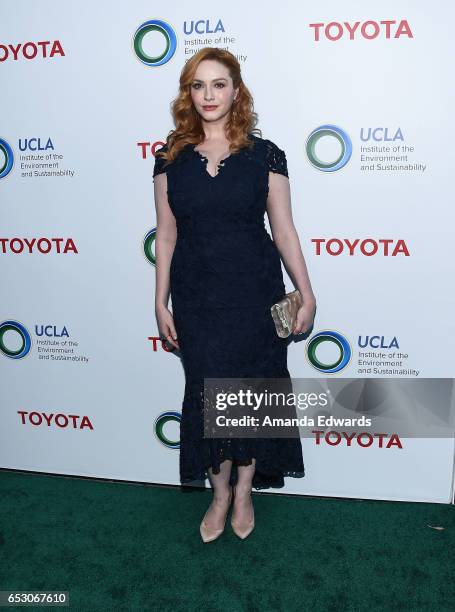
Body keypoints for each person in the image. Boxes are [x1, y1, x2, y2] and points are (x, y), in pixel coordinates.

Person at [153, 47, 316, 542]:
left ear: (236, 90)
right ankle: (219, 493)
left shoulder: (266, 155)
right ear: (189, 93)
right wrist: (159, 301)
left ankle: (244, 490)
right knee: (207, 395)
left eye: (218, 84)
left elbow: (284, 230)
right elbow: (165, 234)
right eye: (198, 85)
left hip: (255, 294)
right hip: (197, 297)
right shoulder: (169, 158)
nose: (208, 94)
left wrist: (305, 292)